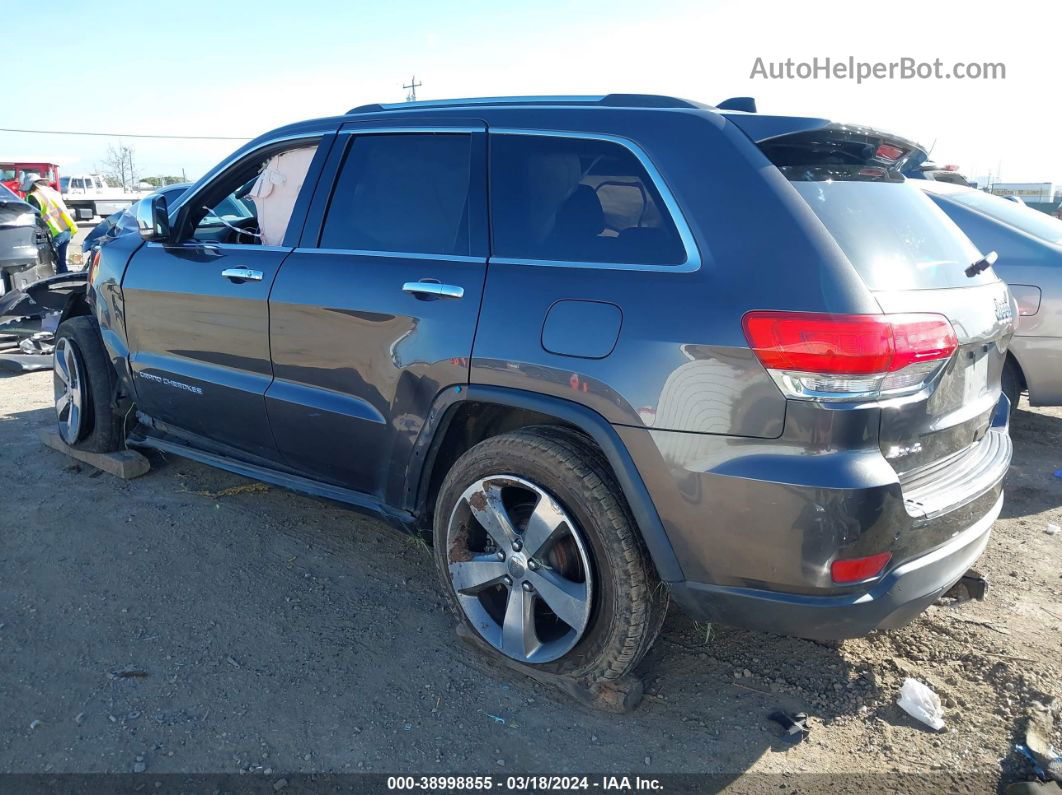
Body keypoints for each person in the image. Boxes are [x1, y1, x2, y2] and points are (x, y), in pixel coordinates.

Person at [20, 172, 78, 273]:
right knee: (61, 262)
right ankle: (63, 278)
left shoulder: (34, 196)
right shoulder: (52, 192)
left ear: (30, 186)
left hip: (54, 232)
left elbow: (33, 216)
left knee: (46, 260)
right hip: (66, 229)